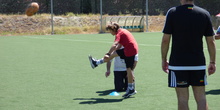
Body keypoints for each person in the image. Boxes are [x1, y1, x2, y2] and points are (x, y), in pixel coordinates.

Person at [161, 0, 216, 110]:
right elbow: (211, 41)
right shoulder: (204, 13)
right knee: (201, 98)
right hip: (198, 64)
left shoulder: (172, 12)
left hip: (178, 64)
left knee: (182, 99)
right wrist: (212, 62)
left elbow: (165, 41)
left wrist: (164, 59)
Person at [89, 22, 138, 98]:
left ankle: (131, 89)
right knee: (115, 56)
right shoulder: (122, 31)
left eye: (110, 31)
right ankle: (96, 63)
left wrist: (108, 53)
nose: (110, 33)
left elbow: (115, 44)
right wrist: (112, 53)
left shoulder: (119, 33)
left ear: (113, 30)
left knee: (129, 69)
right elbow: (119, 45)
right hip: (130, 49)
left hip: (129, 50)